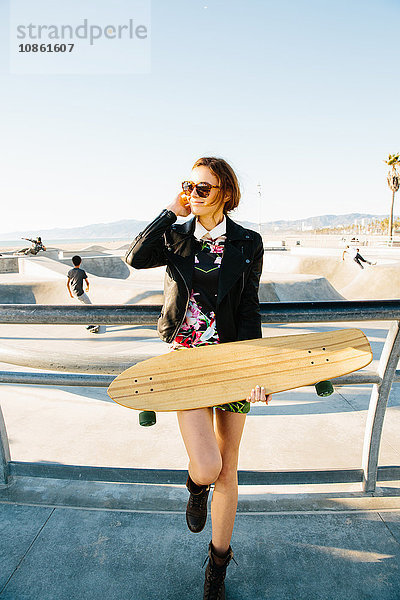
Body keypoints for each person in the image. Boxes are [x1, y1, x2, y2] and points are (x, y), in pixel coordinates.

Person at [125, 156, 271, 599]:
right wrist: (172, 211)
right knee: (208, 466)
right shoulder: (174, 236)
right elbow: (135, 257)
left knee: (228, 472)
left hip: (231, 363)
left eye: (203, 188)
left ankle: (217, 568)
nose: (194, 193)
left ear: (226, 193)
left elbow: (249, 307)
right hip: (186, 362)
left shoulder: (248, 242)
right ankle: (194, 485)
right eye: (188, 185)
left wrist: (255, 369)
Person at [67, 255, 99, 333]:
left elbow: (67, 284)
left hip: (74, 292)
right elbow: (87, 282)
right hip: (80, 293)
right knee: (90, 307)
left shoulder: (70, 272)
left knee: (85, 305)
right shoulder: (82, 272)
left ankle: (89, 322)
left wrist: (70, 293)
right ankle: (90, 324)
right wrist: (88, 287)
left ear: (72, 262)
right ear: (80, 262)